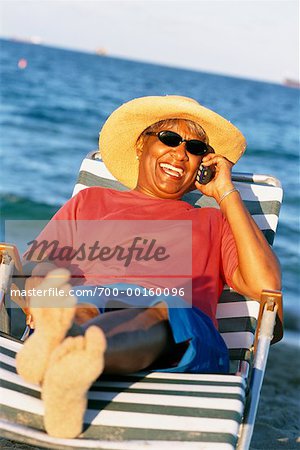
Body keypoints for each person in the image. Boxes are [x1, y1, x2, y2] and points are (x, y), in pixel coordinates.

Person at [15, 95, 281, 439]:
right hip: (89, 300)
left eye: (195, 147)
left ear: (203, 161)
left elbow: (266, 287)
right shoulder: (90, 201)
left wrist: (226, 192)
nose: (180, 153)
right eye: (169, 139)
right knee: (80, 304)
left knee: (156, 309)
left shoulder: (214, 221)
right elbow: (36, 267)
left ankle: (69, 351)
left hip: (175, 323)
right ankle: (69, 349)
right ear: (142, 145)